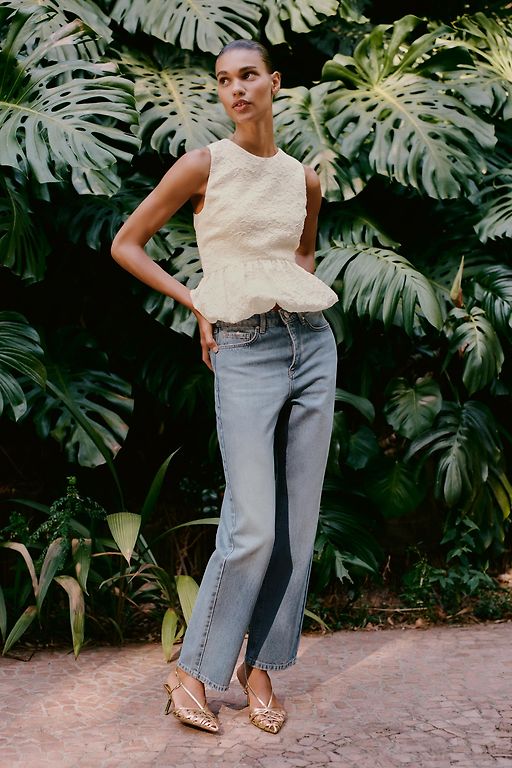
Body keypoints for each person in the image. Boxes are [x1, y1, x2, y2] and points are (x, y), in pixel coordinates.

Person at [111, 39, 339, 735]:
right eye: (223, 80)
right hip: (242, 348)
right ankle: (192, 671)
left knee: (296, 529)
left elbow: (302, 254)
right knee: (252, 526)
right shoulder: (203, 165)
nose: (235, 89)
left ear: (275, 82)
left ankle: (259, 669)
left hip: (312, 344)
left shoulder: (304, 179)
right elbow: (126, 243)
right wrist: (199, 303)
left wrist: (286, 292)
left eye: (248, 76)